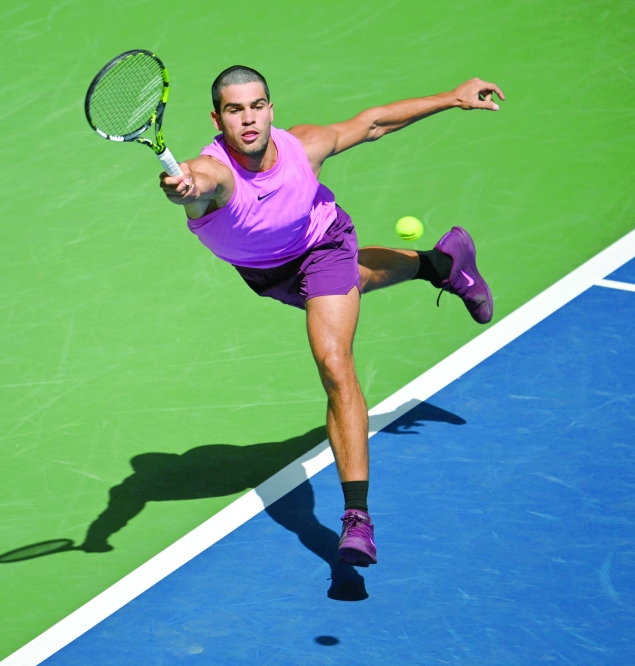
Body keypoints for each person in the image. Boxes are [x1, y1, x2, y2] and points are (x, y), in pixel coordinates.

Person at [159, 66, 502, 567]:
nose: (249, 119)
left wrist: (453, 97)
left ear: (271, 109)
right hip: (267, 273)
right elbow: (197, 182)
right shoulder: (213, 174)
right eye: (235, 110)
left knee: (334, 360)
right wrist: (183, 189)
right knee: (357, 283)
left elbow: (374, 123)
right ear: (218, 118)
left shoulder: (302, 147)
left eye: (257, 106)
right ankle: (442, 263)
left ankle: (356, 519)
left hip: (322, 245)